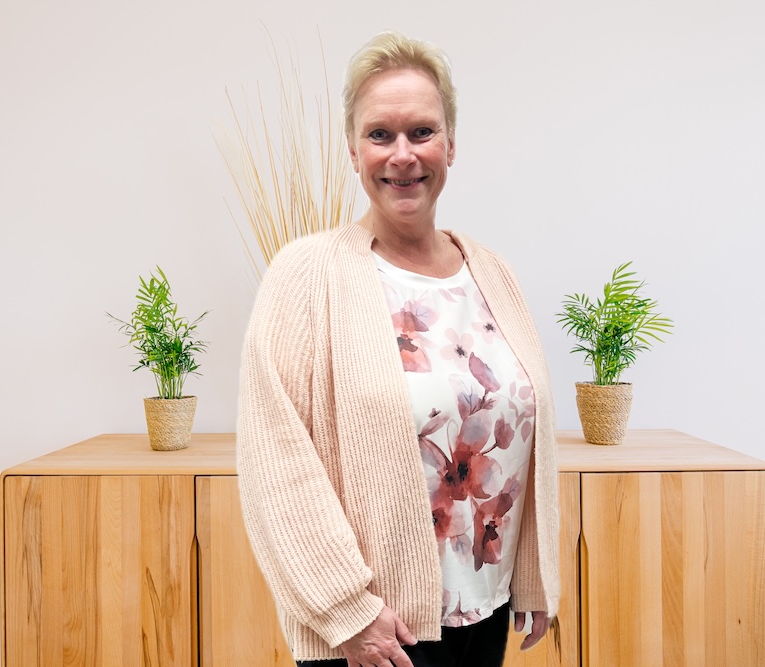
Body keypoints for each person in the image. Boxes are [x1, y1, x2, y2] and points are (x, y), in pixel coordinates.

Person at [237, 30, 560, 667]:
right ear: (354, 150)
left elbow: (524, 429)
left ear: (451, 144)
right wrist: (347, 611)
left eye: (422, 132)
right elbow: (274, 464)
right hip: (379, 637)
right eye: (380, 134)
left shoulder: (492, 273)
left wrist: (532, 574)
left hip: (485, 612)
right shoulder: (306, 275)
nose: (403, 155)